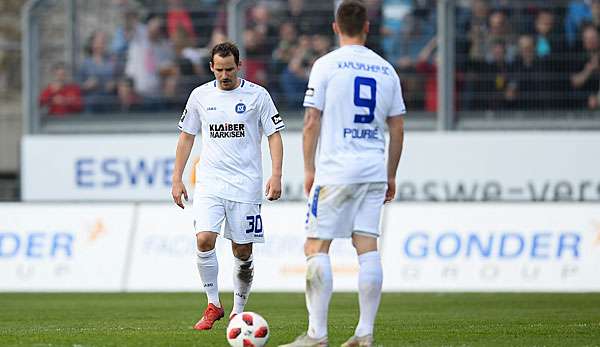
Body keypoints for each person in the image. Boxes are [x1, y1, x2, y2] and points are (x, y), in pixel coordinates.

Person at [279, 1, 405, 346]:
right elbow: (397, 128)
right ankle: (365, 333)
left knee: (316, 245)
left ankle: (317, 335)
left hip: (336, 170)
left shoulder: (326, 65)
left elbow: (310, 121)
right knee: (367, 246)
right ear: (366, 27)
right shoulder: (386, 69)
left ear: (336, 28)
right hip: (373, 169)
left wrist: (308, 168)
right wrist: (390, 174)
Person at [171, 41, 284, 331]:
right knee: (204, 239)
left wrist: (277, 174)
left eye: (229, 69)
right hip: (210, 181)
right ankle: (213, 304)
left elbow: (273, 135)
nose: (224, 75)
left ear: (239, 66)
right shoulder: (199, 96)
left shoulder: (258, 96)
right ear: (211, 67)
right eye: (219, 69)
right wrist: (177, 177)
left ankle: (237, 311)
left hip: (246, 184)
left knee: (242, 251)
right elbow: (187, 136)